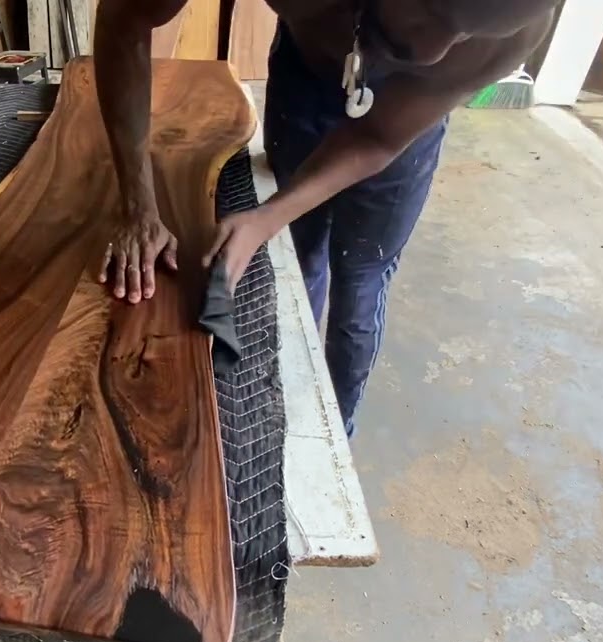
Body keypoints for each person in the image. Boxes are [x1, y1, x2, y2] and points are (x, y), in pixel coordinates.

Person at [93, 0, 556, 435]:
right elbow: (125, 17)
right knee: (299, 259)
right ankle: (286, 412)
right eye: (432, 6)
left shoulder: (516, 27)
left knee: (361, 281)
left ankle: (335, 432)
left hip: (405, 110)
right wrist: (138, 204)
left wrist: (265, 218)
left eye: (467, 34)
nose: (433, 52)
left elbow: (376, 139)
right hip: (307, 74)